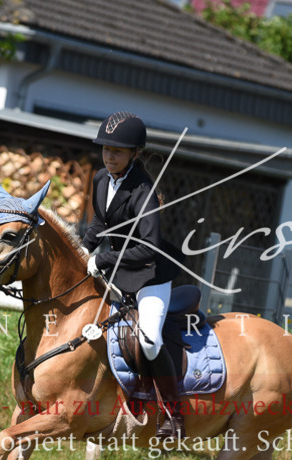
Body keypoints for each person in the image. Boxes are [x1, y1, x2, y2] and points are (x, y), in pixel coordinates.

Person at [81, 111, 184, 439]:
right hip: (120, 270)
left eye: (118, 151)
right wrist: (83, 251)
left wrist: (104, 258)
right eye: (106, 149)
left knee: (149, 338)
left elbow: (148, 249)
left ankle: (173, 412)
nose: (109, 156)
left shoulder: (144, 192)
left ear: (134, 154)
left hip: (150, 275)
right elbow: (101, 221)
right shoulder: (100, 179)